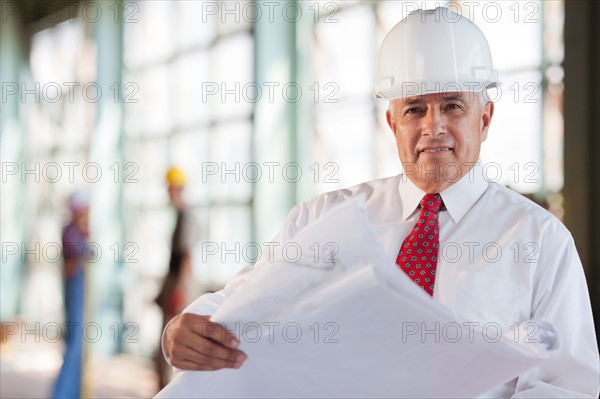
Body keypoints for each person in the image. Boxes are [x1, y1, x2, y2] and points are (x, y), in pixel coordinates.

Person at [161, 8, 599, 397]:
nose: (434, 127)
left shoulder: (540, 241)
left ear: (484, 118)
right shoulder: (322, 219)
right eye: (414, 109)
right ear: (392, 122)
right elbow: (238, 308)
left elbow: (567, 387)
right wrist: (185, 331)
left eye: (452, 106)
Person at [155, 166, 198, 388]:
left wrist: (179, 290)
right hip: (173, 283)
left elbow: (186, 257)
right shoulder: (180, 216)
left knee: (174, 343)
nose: (167, 193)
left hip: (180, 286)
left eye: (169, 189)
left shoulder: (186, 217)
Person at [52, 190, 90, 399]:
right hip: (75, 295)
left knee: (77, 347)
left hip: (77, 296)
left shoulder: (76, 232)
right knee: (74, 346)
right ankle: (63, 393)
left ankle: (71, 391)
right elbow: (71, 268)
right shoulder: (73, 233)